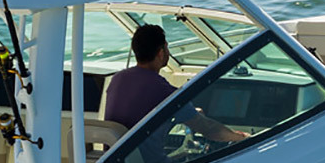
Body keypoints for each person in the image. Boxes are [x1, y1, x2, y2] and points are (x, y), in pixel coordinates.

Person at [102, 23, 246, 144]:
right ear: (161, 53)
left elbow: (140, 113)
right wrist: (240, 137)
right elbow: (208, 129)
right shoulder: (162, 89)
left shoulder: (118, 78)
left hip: (116, 162)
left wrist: (190, 112)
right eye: (167, 47)